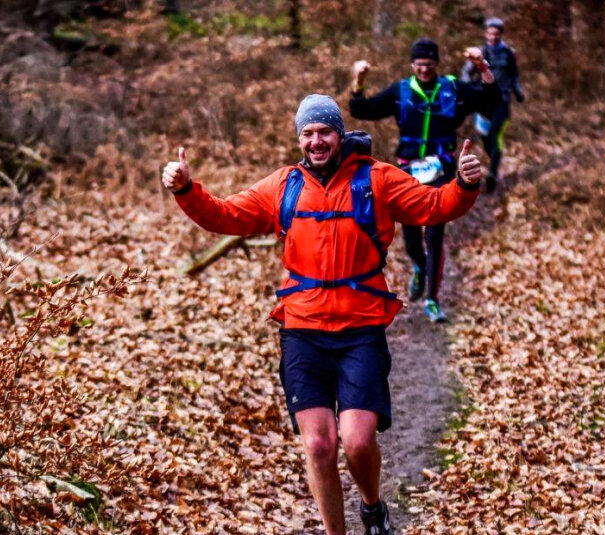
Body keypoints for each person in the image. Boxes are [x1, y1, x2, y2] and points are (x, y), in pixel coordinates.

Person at [161, 94, 485, 535]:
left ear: (339, 134)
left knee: (355, 441)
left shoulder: (378, 178)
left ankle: (372, 506)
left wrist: (464, 185)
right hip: (303, 330)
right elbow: (226, 215)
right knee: (318, 444)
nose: (316, 141)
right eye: (307, 134)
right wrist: (185, 188)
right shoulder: (284, 185)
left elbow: (433, 207)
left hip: (361, 328)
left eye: (324, 132)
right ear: (299, 139)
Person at [348, 37, 499, 323]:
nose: (424, 71)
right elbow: (361, 110)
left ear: (437, 64)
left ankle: (432, 300)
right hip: (407, 172)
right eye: (419, 66)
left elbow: (491, 98)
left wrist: (482, 66)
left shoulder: (453, 89)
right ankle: (419, 266)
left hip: (441, 170)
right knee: (411, 238)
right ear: (411, 65)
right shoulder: (400, 91)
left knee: (435, 233)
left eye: (429, 65)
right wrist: (358, 81)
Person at [461, 17, 524, 193]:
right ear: (486, 34)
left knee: (496, 135)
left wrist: (518, 91)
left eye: (496, 33)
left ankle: (493, 175)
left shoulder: (509, 53)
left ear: (501, 34)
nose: (493, 36)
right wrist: (467, 88)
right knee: (486, 138)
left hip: (502, 101)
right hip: (483, 102)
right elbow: (466, 72)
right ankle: (494, 161)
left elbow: (514, 75)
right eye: (490, 33)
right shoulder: (479, 53)